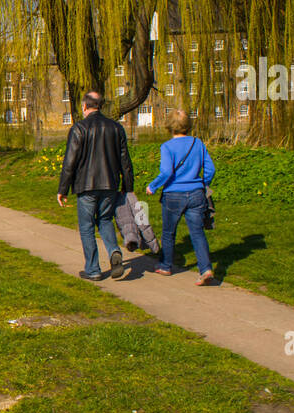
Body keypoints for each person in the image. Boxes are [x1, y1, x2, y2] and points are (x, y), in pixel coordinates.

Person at [56, 91, 136, 280]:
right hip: (110, 184)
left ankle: (93, 269)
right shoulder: (116, 128)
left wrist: (62, 189)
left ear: (84, 106)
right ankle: (114, 251)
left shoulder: (79, 128)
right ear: (100, 105)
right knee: (105, 220)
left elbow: (70, 162)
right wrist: (128, 185)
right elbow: (125, 160)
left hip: (86, 185)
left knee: (86, 226)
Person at [146, 109, 217, 285]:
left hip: (173, 195)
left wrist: (152, 186)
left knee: (169, 232)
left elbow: (166, 172)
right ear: (188, 125)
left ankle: (166, 265)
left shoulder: (167, 147)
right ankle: (205, 268)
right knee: (197, 232)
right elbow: (210, 169)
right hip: (196, 194)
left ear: (170, 126)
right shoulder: (198, 143)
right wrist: (201, 183)